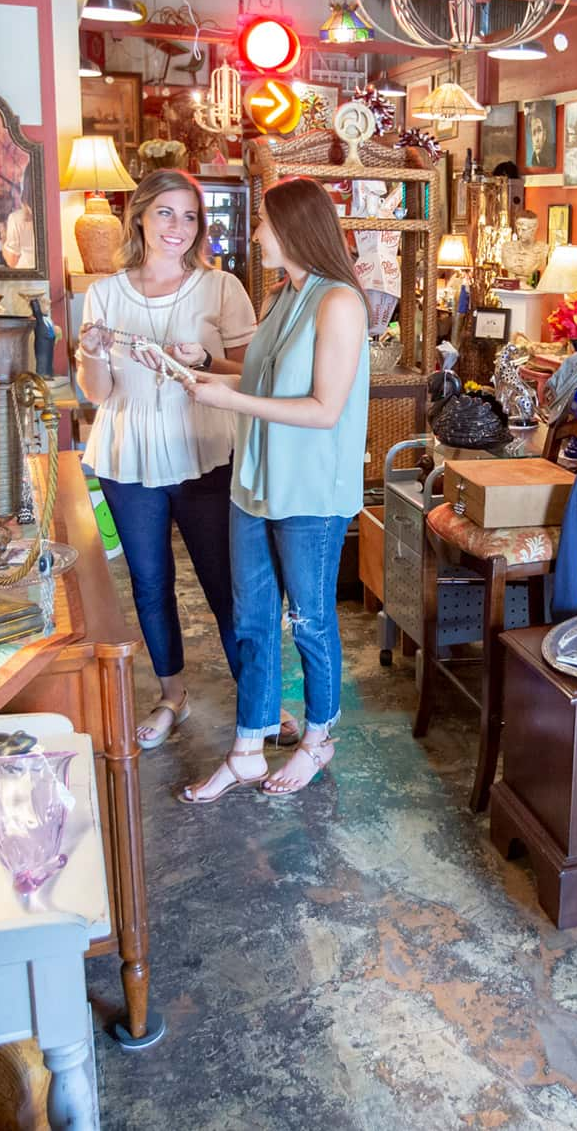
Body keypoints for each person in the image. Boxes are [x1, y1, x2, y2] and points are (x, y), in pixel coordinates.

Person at [178, 177, 370, 800]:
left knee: (310, 621)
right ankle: (247, 749)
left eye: (262, 223)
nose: (255, 233)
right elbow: (264, 374)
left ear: (292, 229)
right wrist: (206, 366)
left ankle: (318, 740)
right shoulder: (285, 294)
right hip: (255, 481)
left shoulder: (338, 302)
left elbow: (322, 408)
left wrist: (229, 398)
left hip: (309, 492)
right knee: (252, 620)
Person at [76, 169, 260, 750]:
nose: (178, 227)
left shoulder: (221, 288)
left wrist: (203, 356)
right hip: (126, 452)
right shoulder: (104, 294)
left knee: (225, 580)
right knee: (150, 582)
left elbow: (252, 374)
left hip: (203, 448)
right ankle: (171, 695)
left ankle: (256, 703)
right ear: (139, 217)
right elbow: (98, 393)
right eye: (165, 213)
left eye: (189, 216)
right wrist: (89, 353)